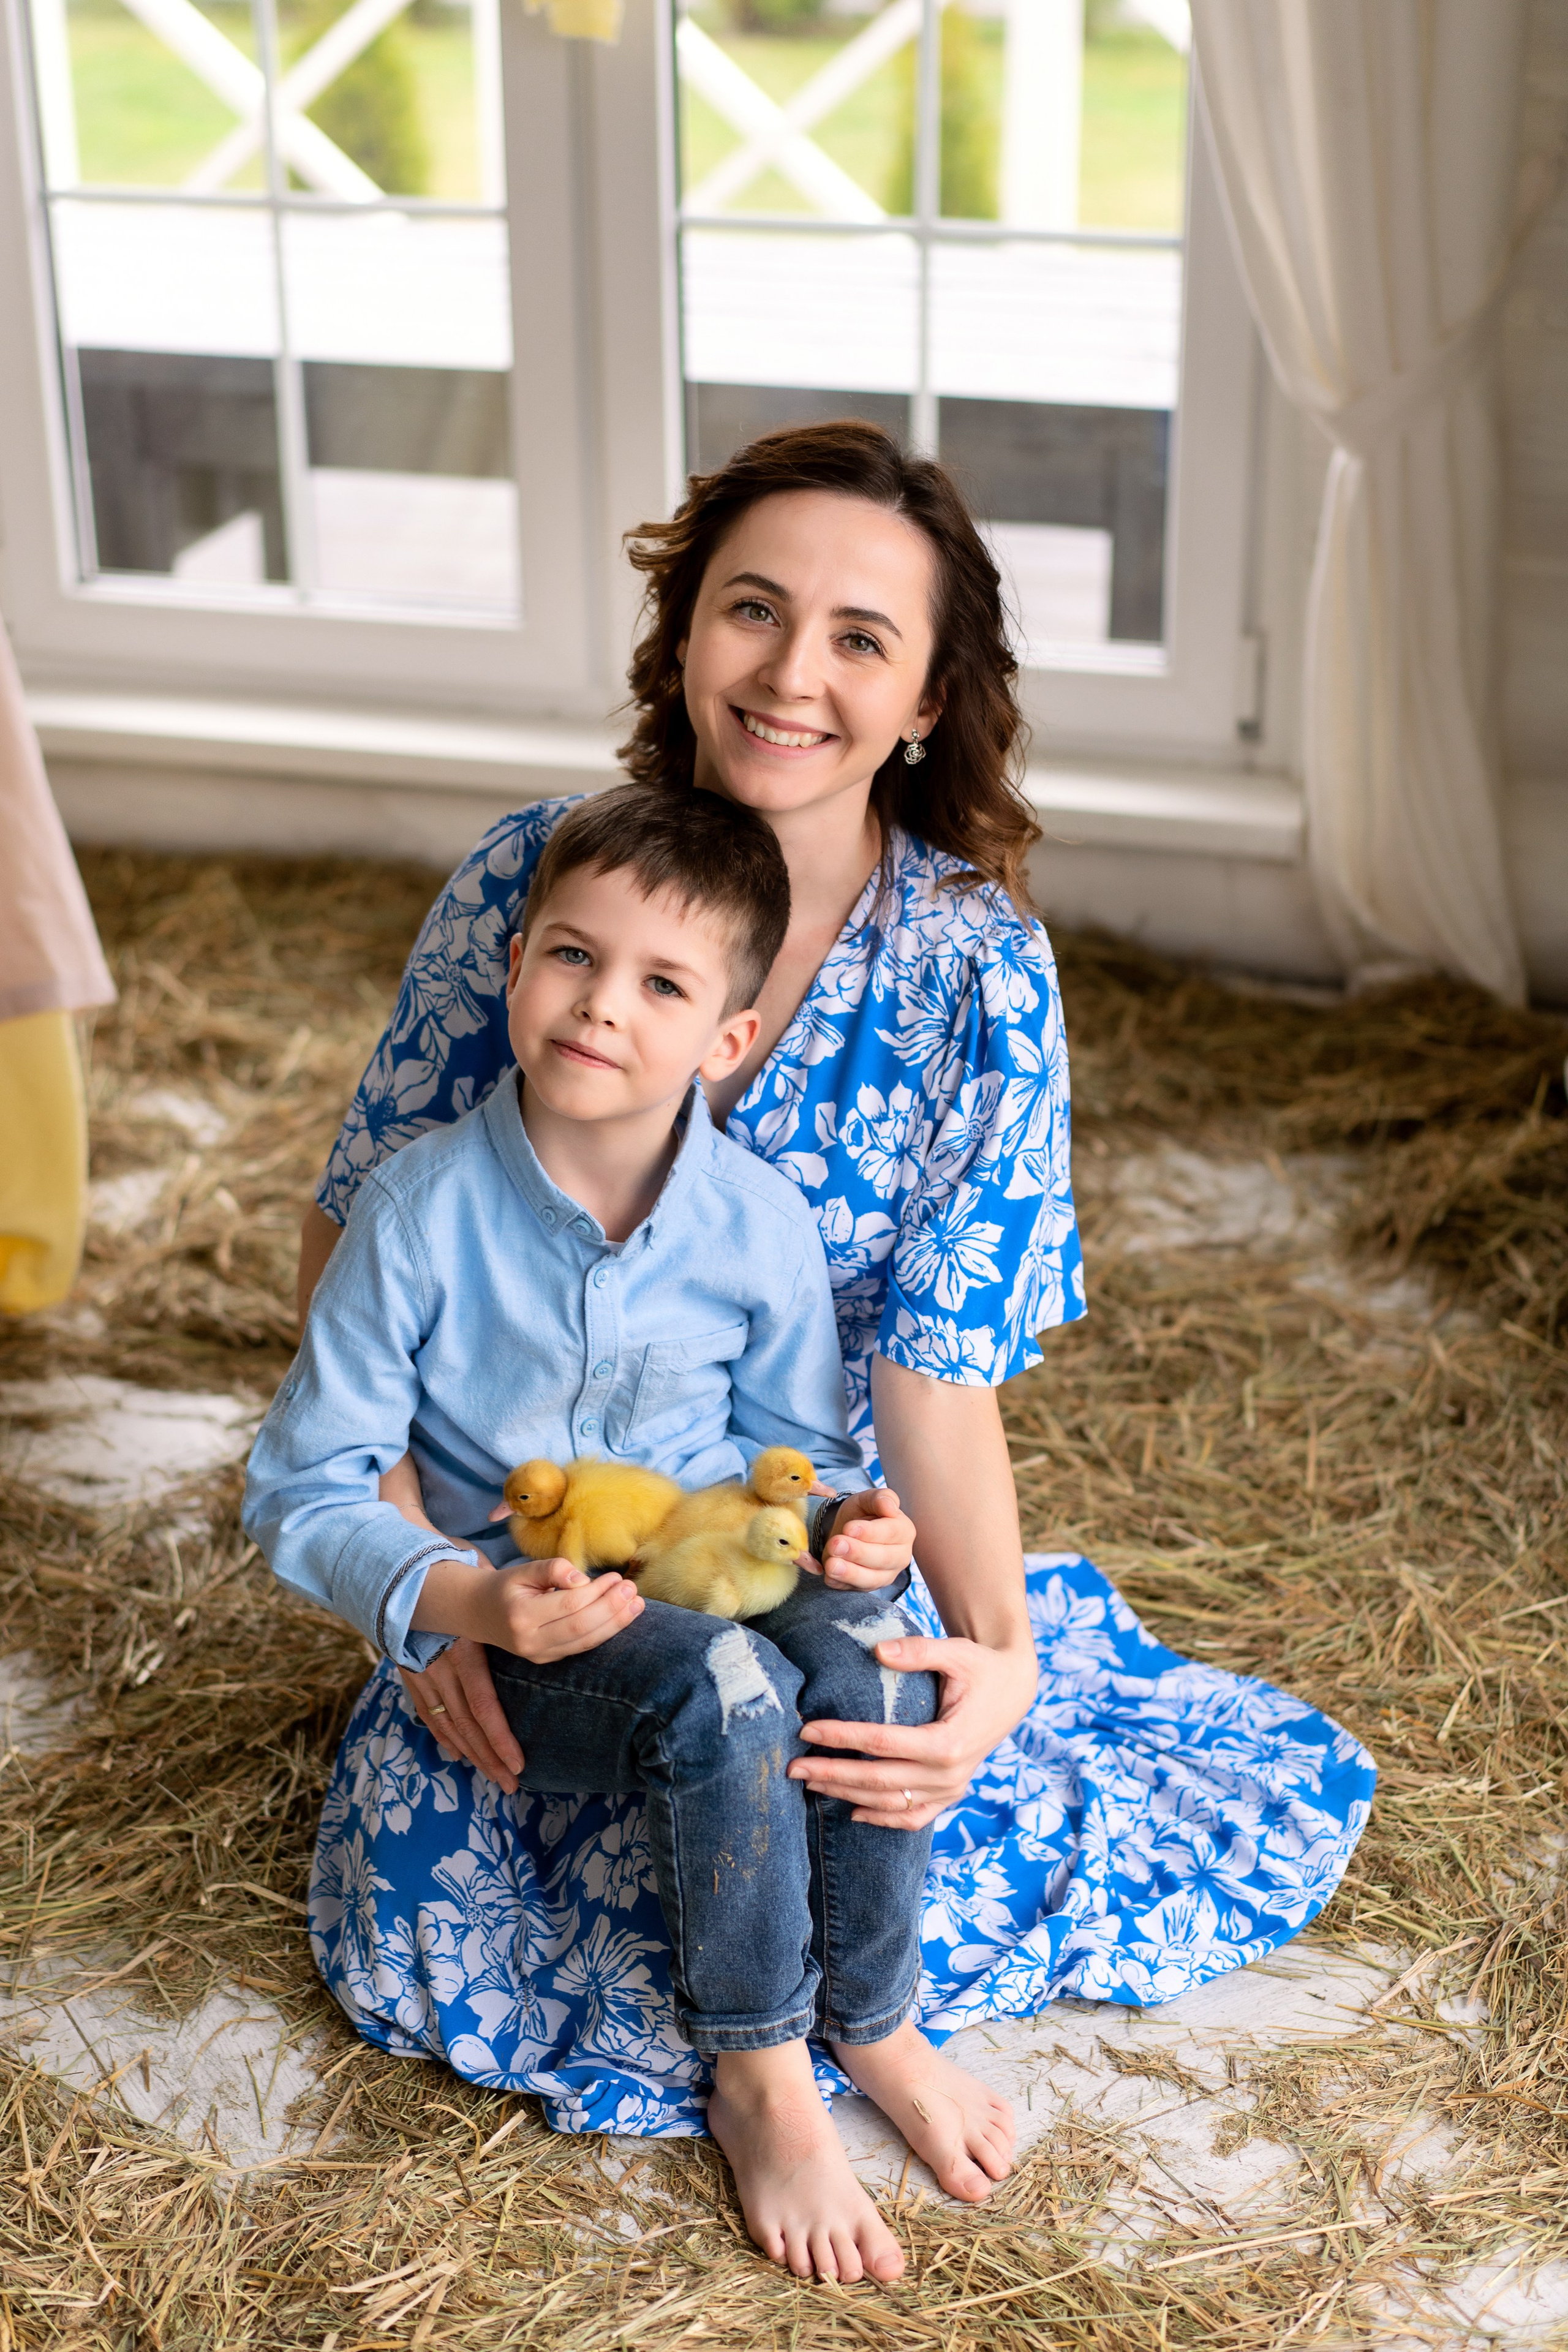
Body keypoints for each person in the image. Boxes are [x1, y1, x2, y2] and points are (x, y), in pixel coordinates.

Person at [296, 422, 1375, 2275]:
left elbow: (929, 1377)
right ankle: (759, 2073)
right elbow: (357, 1254)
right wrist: (428, 1598)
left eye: (859, 639)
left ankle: (851, 2014)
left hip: (778, 1517)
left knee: (875, 1742)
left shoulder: (977, 972)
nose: (793, 675)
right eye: (753, 612)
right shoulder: (532, 881)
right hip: (524, 1544)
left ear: (930, 698)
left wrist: (1005, 1665)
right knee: (511, 1866)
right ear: (684, 634)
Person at [251, 783, 1011, 2282]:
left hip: (706, 1548)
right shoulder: (417, 1215)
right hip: (545, 1620)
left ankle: (872, 2013)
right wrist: (460, 1603)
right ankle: (760, 2071)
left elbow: (791, 1451)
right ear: (516, 960)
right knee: (720, 1695)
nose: (602, 1007)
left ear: (726, 1039)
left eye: (661, 984)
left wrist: (844, 1526)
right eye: (571, 958)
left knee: (869, 1654)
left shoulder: (757, 1223)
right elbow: (300, 1482)